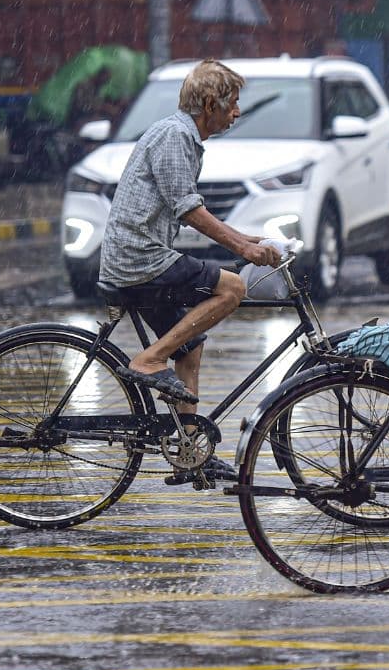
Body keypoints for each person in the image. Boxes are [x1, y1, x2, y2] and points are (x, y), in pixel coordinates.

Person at [98, 59, 281, 483]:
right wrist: (241, 249)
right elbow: (189, 209)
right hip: (139, 258)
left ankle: (189, 451)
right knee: (232, 288)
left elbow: (187, 207)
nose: (237, 113)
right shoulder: (175, 135)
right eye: (232, 104)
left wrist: (250, 240)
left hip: (144, 256)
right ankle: (148, 360)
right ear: (211, 104)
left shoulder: (183, 137)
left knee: (190, 346)